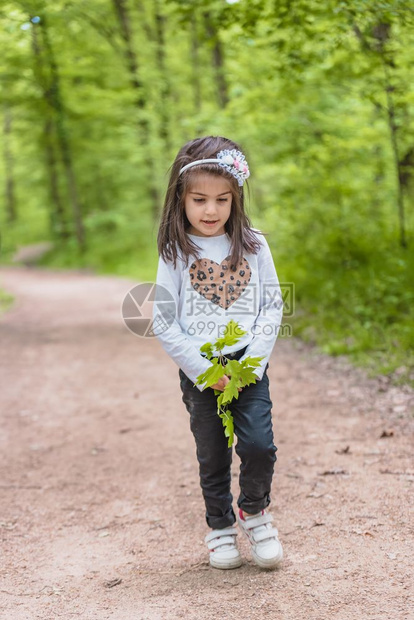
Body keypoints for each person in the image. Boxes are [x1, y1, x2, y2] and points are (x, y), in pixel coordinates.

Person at [153, 135, 284, 570]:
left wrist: (253, 364)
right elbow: (165, 321)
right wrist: (203, 369)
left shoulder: (253, 244)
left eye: (222, 200)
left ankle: (255, 511)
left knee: (259, 445)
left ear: (236, 198)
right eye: (200, 199)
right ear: (181, 198)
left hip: (248, 364)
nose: (211, 211)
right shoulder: (175, 251)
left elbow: (272, 305)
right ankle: (220, 526)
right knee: (212, 452)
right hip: (202, 370)